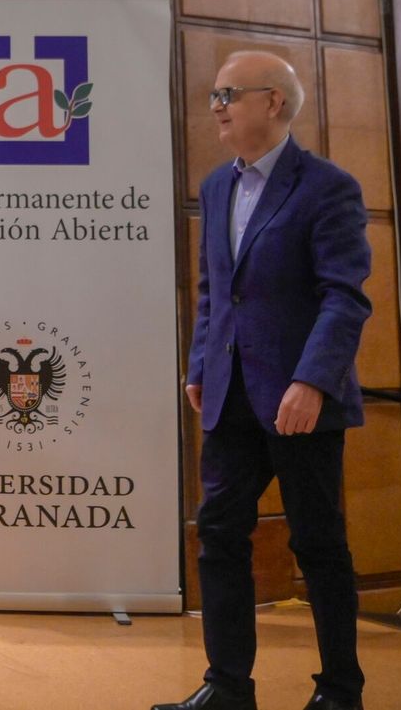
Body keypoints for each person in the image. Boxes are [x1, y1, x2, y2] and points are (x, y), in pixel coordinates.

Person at [153, 51, 372, 710]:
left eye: (229, 93)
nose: (215, 105)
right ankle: (227, 686)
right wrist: (199, 365)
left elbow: (345, 297)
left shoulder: (328, 186)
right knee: (219, 534)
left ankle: (340, 690)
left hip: (300, 401)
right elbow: (213, 290)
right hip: (229, 394)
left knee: (318, 542)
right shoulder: (218, 186)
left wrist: (311, 380)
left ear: (274, 102)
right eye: (214, 94)